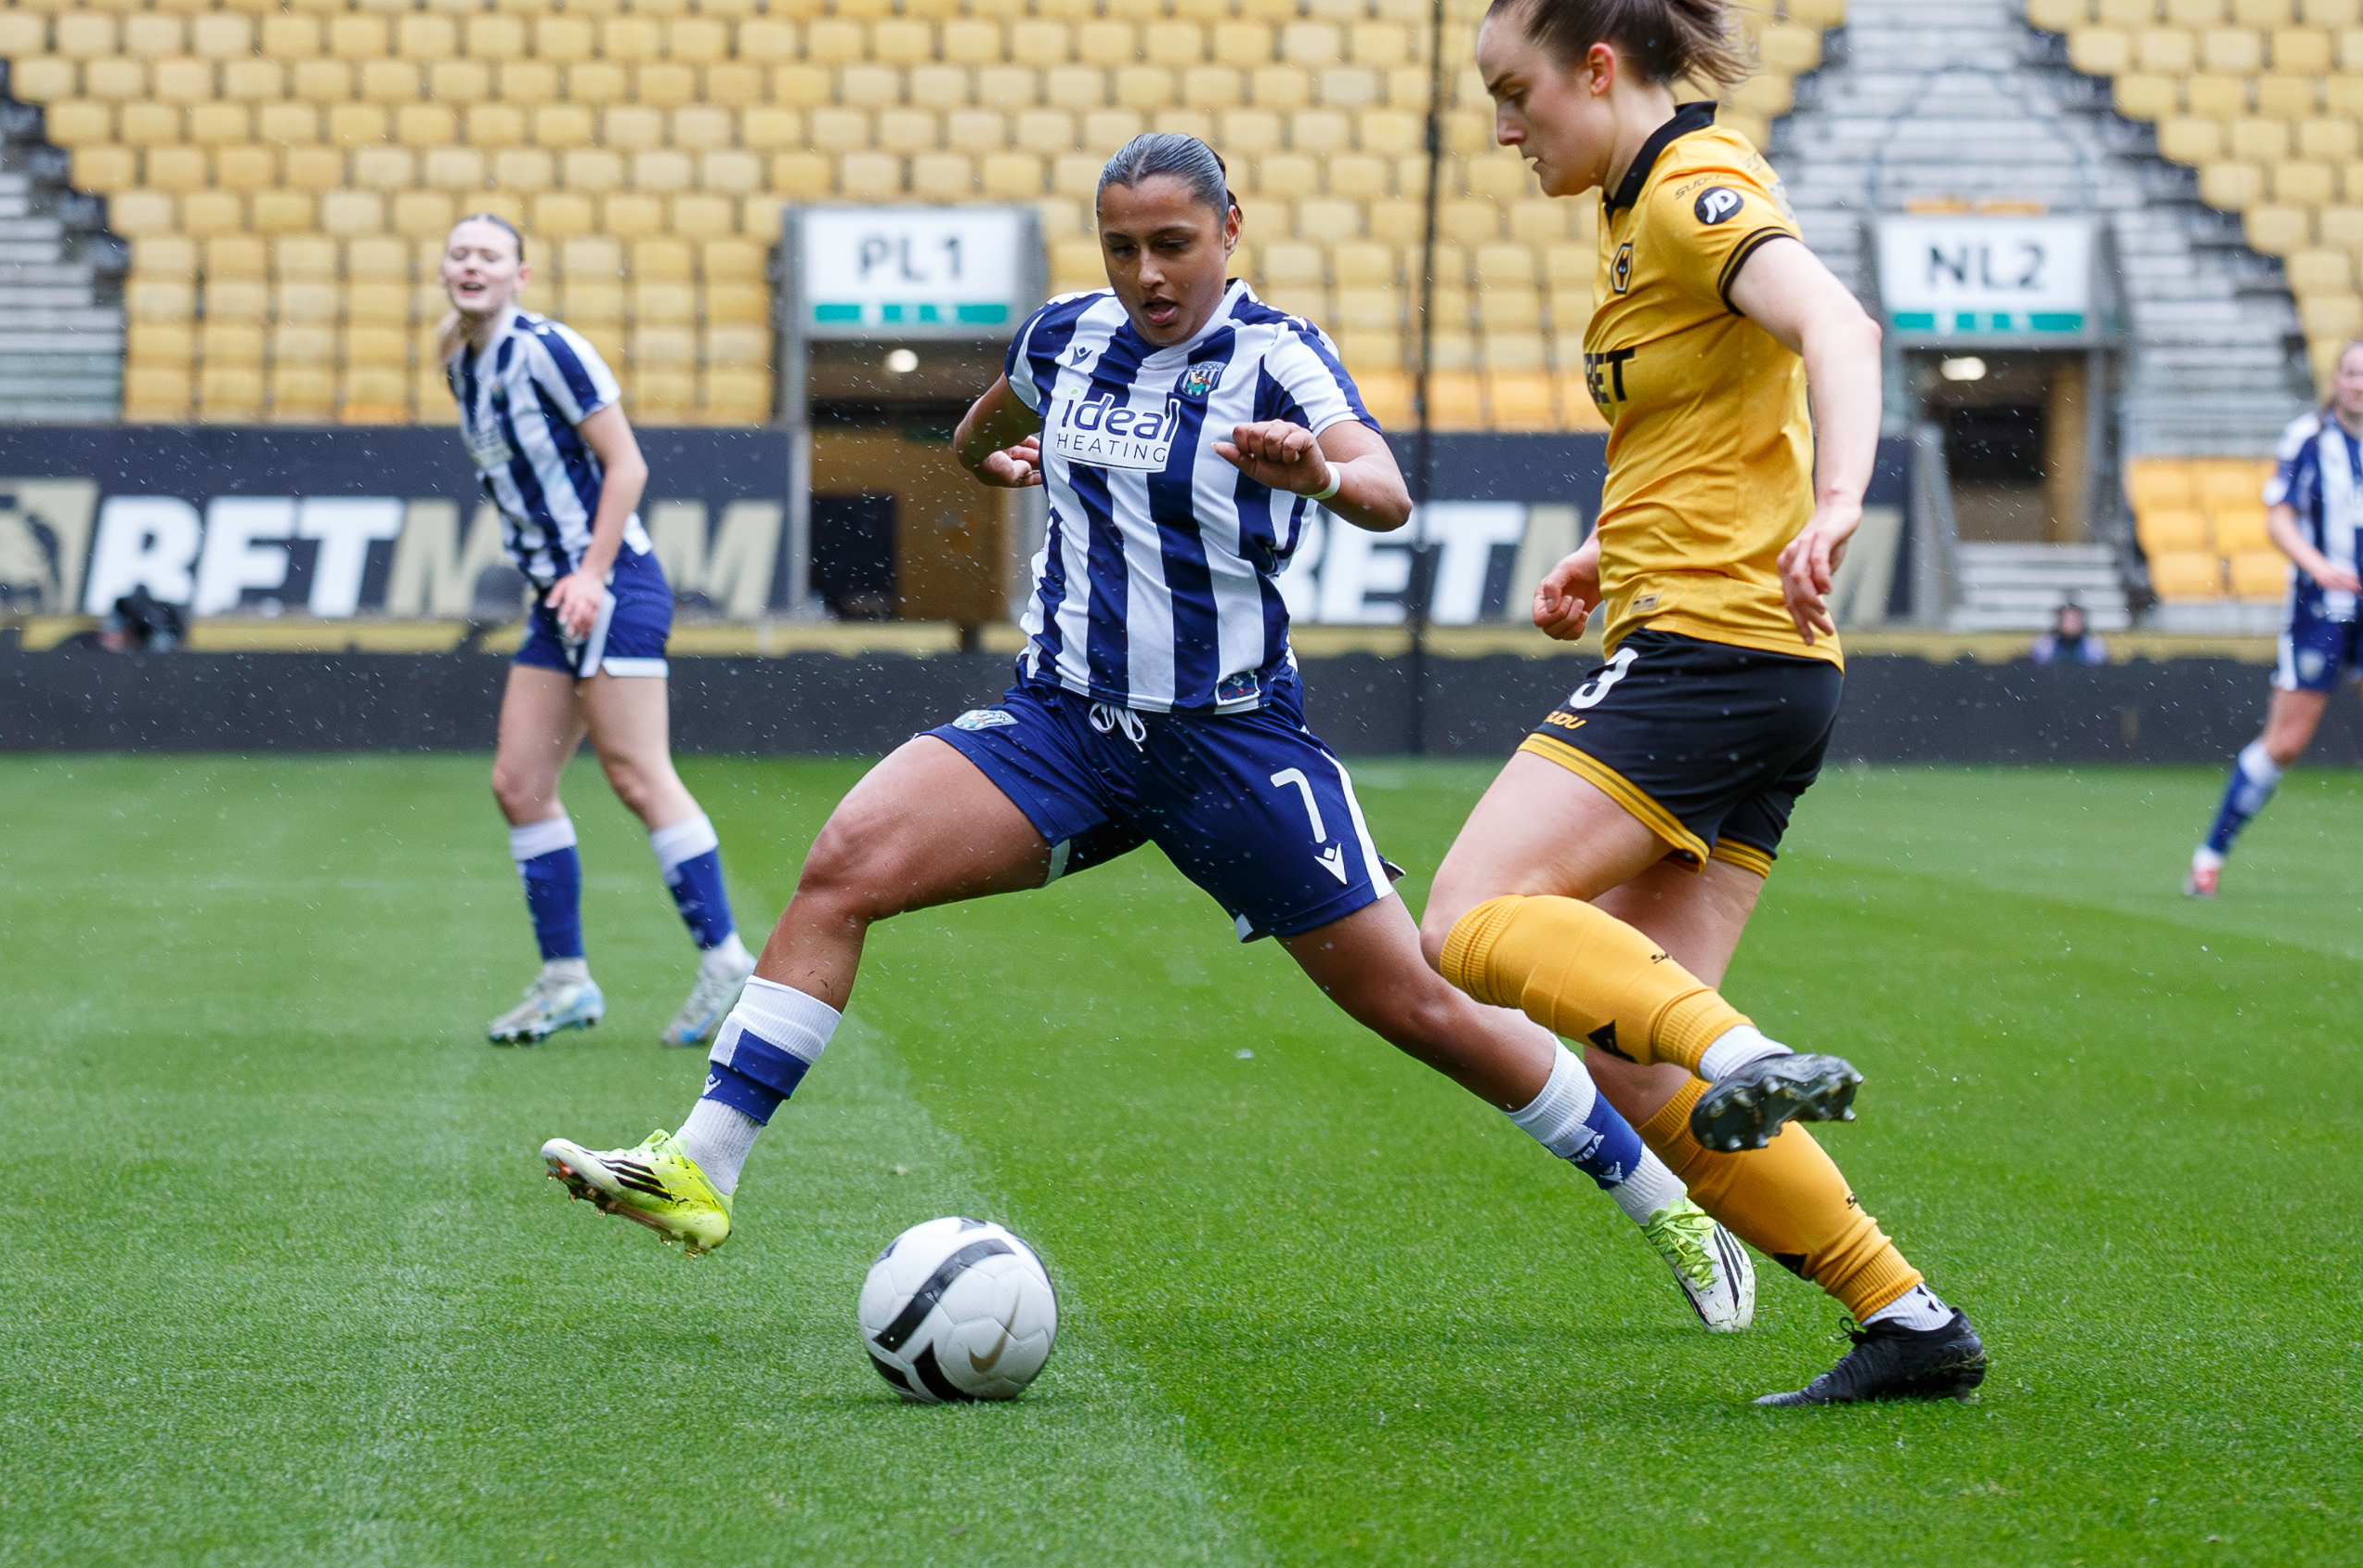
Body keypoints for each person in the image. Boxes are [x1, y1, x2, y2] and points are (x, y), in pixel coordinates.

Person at [536, 134, 1757, 1332]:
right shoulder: (1064, 333)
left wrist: (1319, 474)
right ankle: (701, 1168)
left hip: (1228, 745)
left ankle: (1667, 1197)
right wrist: (990, 456)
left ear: (1230, 233)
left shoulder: (1278, 356)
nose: (1147, 273)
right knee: (842, 865)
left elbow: (1385, 488)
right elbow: (980, 423)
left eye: (1172, 243)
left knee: (1423, 1002)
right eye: (1123, 246)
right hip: (1062, 723)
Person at [1412, 0, 1987, 1406]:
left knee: (1469, 917)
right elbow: (1709, 419)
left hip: (1718, 655)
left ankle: (1745, 1041)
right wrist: (1610, 554)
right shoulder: (1635, 208)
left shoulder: (1691, 187)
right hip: (1747, 657)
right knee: (1635, 1067)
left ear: (1599, 69)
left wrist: (1849, 496)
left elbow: (1832, 324)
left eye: (1516, 91)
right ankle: (1908, 1318)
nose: (1503, 127)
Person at [434, 214, 756, 1049]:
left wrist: (589, 570)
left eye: (490, 255)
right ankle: (566, 979)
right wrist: (559, 581)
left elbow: (628, 463)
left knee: (638, 773)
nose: (473, 265)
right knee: (520, 784)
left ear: (520, 274)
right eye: (461, 253)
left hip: (611, 585)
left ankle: (727, 960)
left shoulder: (549, 348)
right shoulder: (458, 360)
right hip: (557, 596)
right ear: (445, 270)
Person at [2183, 340, 2363, 900]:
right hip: (2318, 611)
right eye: (2350, 372)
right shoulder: (2306, 439)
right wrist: (2319, 566)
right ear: (2336, 380)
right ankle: (2209, 857)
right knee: (2286, 743)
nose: (2358, 383)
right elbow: (2279, 519)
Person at [2030, 600, 2108, 665]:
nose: (2071, 624)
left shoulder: (2094, 646)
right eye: (2067, 620)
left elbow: (2099, 670)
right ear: (2059, 621)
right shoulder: (2044, 645)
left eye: (2075, 620)